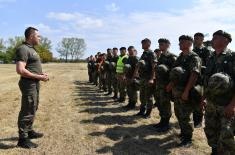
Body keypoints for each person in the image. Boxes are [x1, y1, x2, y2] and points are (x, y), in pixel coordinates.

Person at [16, 27, 49, 148]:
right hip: (28, 84)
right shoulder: (23, 49)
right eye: (38, 36)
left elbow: (31, 67)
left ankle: (29, 131)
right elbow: (20, 70)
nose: (40, 38)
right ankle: (22, 139)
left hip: (34, 83)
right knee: (27, 109)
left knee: (33, 107)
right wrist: (38, 77)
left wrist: (40, 75)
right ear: (31, 36)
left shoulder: (31, 49)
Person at [203, 30, 235, 155]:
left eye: (216, 37)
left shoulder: (232, 57)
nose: (212, 39)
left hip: (226, 104)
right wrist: (203, 99)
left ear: (225, 40)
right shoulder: (211, 57)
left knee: (226, 135)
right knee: (210, 131)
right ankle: (215, 151)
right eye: (213, 37)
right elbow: (207, 81)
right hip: (211, 103)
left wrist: (232, 105)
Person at [168, 35, 201, 147]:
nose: (179, 44)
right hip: (177, 91)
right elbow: (175, 73)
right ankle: (183, 133)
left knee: (186, 115)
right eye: (179, 42)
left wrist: (186, 91)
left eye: (182, 42)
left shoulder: (194, 57)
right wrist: (171, 86)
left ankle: (188, 139)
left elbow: (194, 75)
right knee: (178, 113)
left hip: (186, 90)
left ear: (189, 43)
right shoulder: (180, 57)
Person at [153, 38, 177, 132]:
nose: (160, 45)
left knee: (165, 103)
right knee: (159, 102)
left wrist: (170, 85)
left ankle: (166, 124)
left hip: (166, 85)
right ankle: (162, 121)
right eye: (159, 44)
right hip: (159, 84)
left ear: (168, 45)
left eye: (162, 44)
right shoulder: (161, 56)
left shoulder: (172, 57)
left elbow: (175, 72)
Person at [192, 32, 212, 128]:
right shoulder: (194, 50)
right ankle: (196, 119)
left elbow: (209, 65)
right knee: (195, 98)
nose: (195, 40)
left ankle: (199, 121)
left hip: (203, 79)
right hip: (194, 78)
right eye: (194, 38)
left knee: (200, 99)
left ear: (202, 40)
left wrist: (200, 68)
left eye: (197, 38)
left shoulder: (206, 50)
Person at [134, 38, 155, 119]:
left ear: (148, 44)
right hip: (142, 78)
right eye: (142, 43)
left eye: (144, 43)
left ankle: (148, 113)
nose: (142, 45)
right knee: (142, 95)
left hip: (148, 78)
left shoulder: (151, 53)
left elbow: (153, 67)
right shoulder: (143, 54)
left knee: (149, 96)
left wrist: (152, 78)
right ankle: (142, 110)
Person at [123, 46, 139, 110]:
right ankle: (130, 103)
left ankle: (133, 104)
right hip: (128, 77)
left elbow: (137, 69)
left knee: (133, 91)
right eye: (129, 50)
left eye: (131, 50)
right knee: (129, 91)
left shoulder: (136, 58)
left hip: (133, 77)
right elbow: (125, 68)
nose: (130, 51)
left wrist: (133, 77)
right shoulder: (128, 58)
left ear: (134, 50)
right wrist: (124, 76)